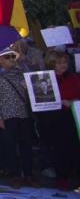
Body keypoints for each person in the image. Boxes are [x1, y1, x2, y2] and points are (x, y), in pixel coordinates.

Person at [0, 49, 33, 187]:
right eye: (8, 57)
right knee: (10, 146)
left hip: (23, 113)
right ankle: (14, 174)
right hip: (7, 115)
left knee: (26, 145)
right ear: (0, 59)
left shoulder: (20, 72)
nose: (12, 59)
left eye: (13, 56)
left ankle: (29, 174)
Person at [37, 50, 80, 189]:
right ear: (52, 63)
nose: (63, 65)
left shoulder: (73, 77)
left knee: (74, 148)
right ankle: (62, 178)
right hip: (53, 119)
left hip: (72, 117)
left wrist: (72, 101)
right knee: (58, 150)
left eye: (65, 62)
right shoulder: (44, 79)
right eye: (60, 63)